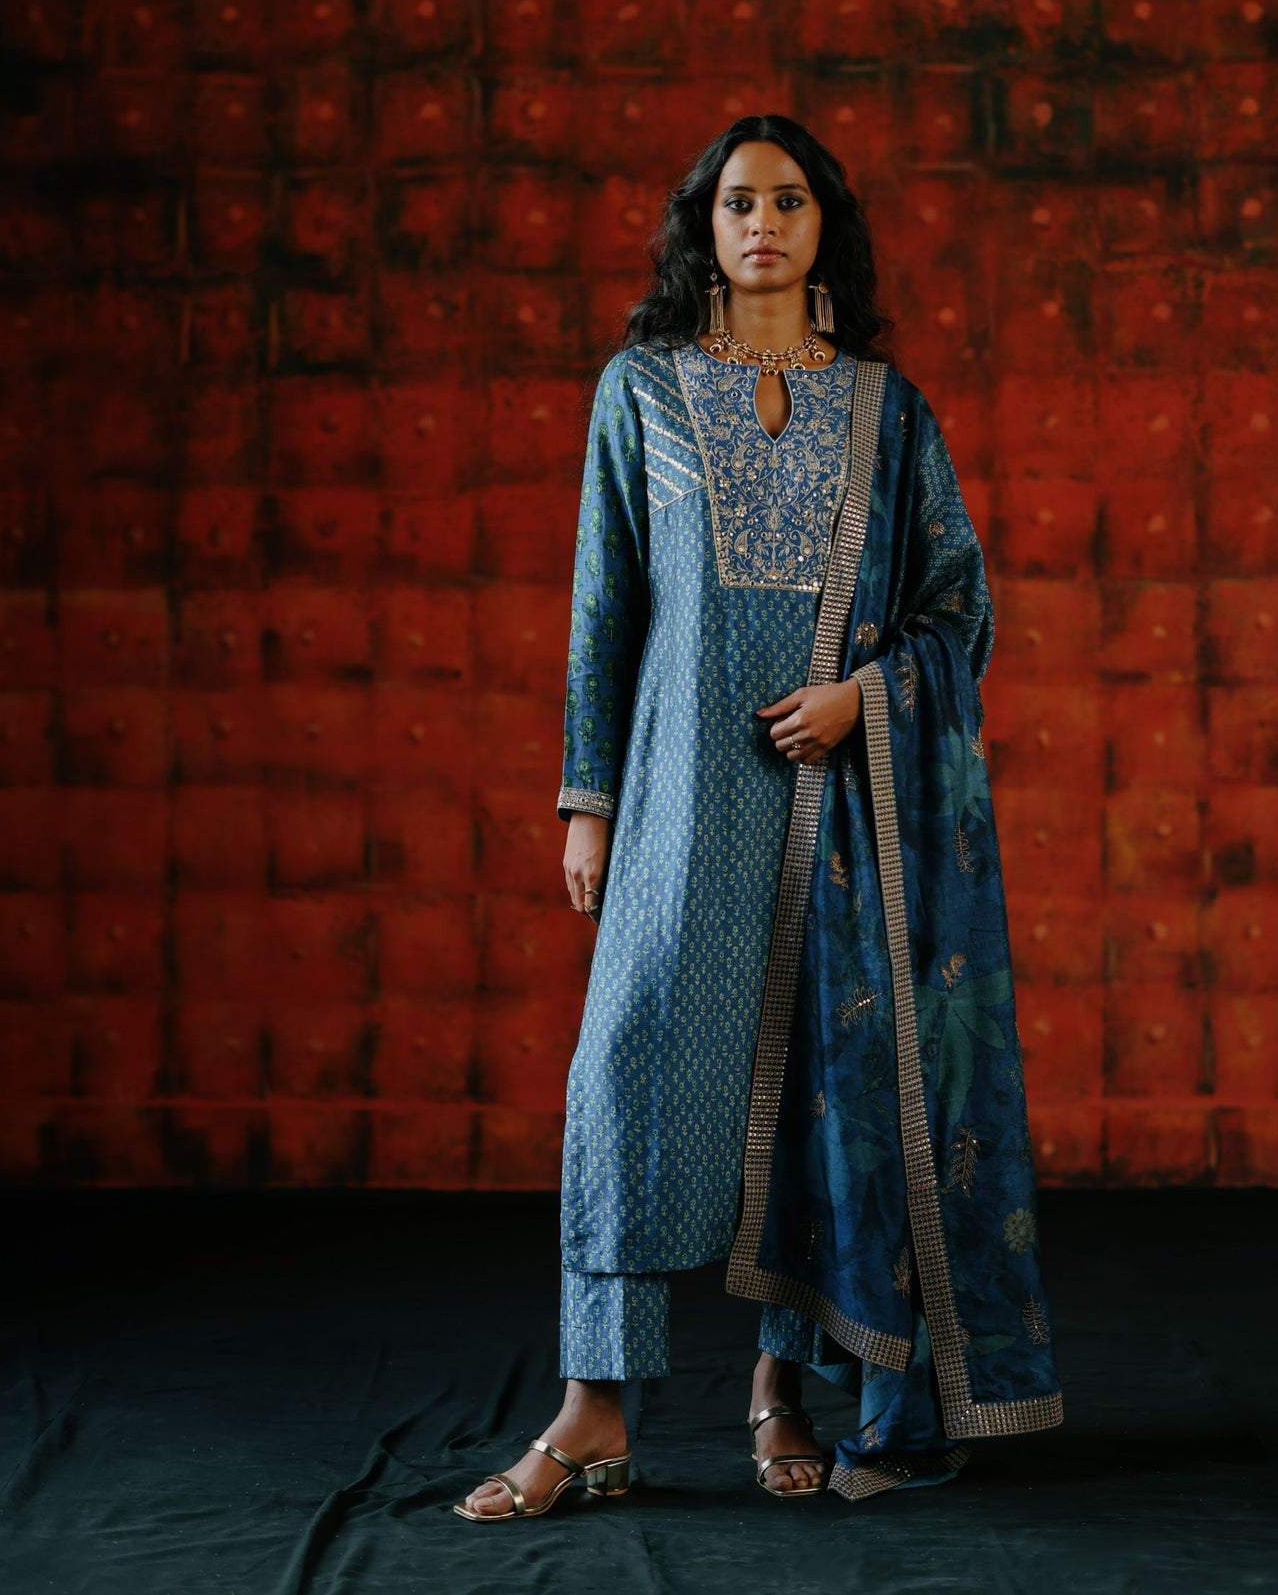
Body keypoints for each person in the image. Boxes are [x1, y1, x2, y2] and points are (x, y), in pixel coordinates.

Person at [455, 113, 1062, 1521]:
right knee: (624, 1075)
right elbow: (604, 602)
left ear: (821, 225)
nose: (763, 225)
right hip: (678, 798)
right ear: (705, 227)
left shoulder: (884, 410)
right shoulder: (644, 390)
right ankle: (594, 1411)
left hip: (837, 808)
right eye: (738, 202)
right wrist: (588, 801)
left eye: (788, 201)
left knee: (813, 1093)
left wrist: (864, 699)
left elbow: (958, 603)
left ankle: (778, 1391)